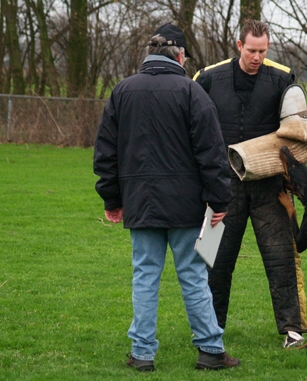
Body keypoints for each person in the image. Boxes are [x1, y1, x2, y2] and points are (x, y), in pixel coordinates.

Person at [93, 23, 240, 372]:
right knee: (193, 276)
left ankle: (142, 354)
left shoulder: (122, 91)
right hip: (186, 206)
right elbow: (212, 153)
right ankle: (210, 350)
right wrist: (219, 201)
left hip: (140, 201)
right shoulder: (192, 93)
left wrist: (112, 198)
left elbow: (105, 153)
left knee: (145, 275)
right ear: (180, 55)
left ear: (149, 53)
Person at [194, 20, 307, 348]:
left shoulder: (283, 78)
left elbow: (296, 132)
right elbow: (191, 126)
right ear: (239, 45)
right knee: (213, 258)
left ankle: (292, 329)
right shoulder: (208, 77)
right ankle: (207, 330)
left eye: (263, 50)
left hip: (269, 185)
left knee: (282, 256)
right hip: (221, 187)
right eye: (252, 50)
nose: (257, 57)